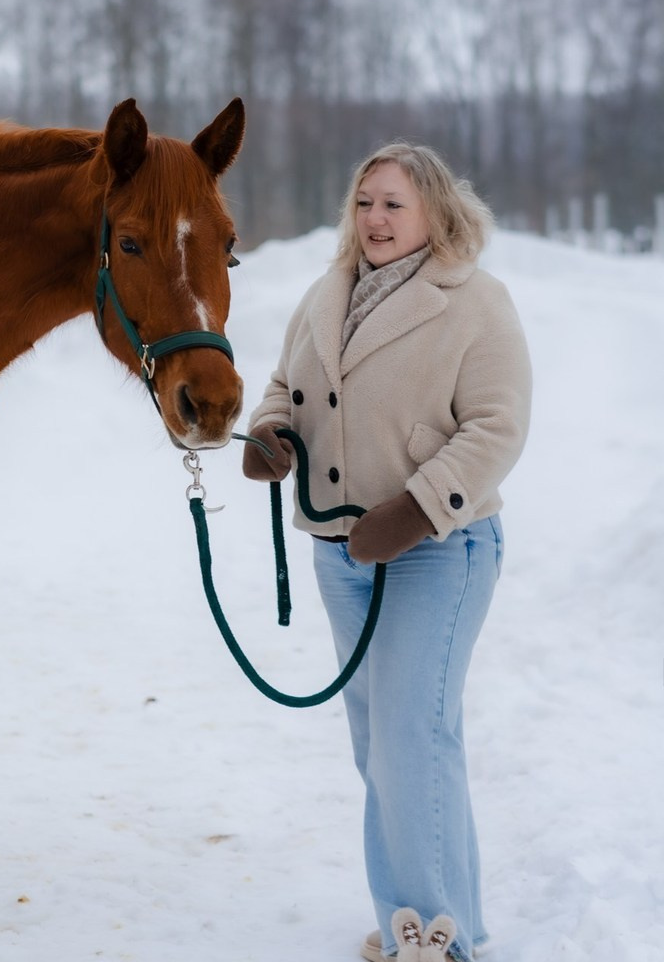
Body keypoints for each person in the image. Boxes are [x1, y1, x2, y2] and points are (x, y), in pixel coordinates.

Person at [242, 142, 531, 962]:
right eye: (365, 200)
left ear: (435, 212)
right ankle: (424, 918)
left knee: (412, 735)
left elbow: (498, 428)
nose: (375, 218)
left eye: (394, 204)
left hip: (439, 550)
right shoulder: (325, 294)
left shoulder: (474, 301)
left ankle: (436, 936)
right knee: (385, 742)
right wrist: (271, 436)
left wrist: (414, 510)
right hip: (341, 553)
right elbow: (283, 386)